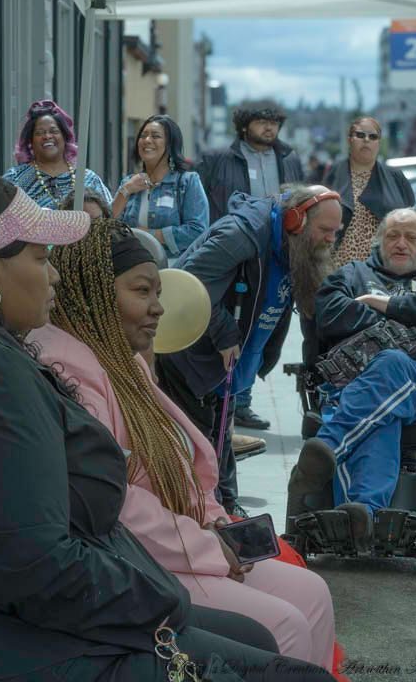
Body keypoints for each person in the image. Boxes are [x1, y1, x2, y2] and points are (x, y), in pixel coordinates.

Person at [0, 172, 337, 682]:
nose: (54, 276)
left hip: (42, 613)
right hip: (14, 638)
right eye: (40, 259)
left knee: (275, 628)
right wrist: (162, 600)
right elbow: (34, 566)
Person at [32, 219, 336, 669]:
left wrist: (217, 525)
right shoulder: (68, 368)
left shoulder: (121, 358)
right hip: (135, 561)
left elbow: (180, 466)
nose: (158, 308)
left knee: (312, 592)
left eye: (158, 292)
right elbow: (114, 500)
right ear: (95, 294)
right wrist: (210, 547)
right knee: (282, 625)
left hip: (185, 543)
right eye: (142, 292)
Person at [157, 185, 343, 518]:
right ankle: (209, 514)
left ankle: (225, 509)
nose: (332, 239)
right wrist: (225, 332)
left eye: (336, 231)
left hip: (225, 363)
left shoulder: (290, 241)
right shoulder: (241, 234)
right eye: (325, 230)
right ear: (295, 220)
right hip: (191, 355)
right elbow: (189, 283)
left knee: (219, 436)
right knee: (204, 442)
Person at [289, 208, 416, 549]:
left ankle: (330, 444)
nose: (401, 243)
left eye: (411, 237)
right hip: (354, 387)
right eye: (393, 236)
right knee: (381, 414)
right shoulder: (350, 275)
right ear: (379, 241)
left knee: (391, 363)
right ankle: (364, 514)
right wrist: (413, 310)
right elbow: (331, 316)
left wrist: (384, 304)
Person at [197, 102, 304, 431]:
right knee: (229, 321)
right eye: (262, 122)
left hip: (274, 253)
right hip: (235, 250)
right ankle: (217, 394)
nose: (269, 129)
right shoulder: (219, 160)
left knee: (263, 328)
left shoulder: (288, 159)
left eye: (274, 123)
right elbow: (203, 204)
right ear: (245, 126)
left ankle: (241, 400)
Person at [112, 115, 209, 264]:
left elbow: (197, 231)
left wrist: (146, 235)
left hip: (174, 269)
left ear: (170, 145)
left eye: (155, 136)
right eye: (143, 135)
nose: (147, 140)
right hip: (131, 268)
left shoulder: (187, 182)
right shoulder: (129, 182)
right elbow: (107, 226)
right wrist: (125, 190)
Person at [323, 116, 415, 268]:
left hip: (383, 269)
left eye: (373, 136)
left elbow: (413, 223)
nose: (366, 140)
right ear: (349, 140)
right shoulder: (334, 173)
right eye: (360, 135)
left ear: (379, 143)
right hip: (338, 269)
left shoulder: (395, 177)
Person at [3, 99, 112, 209]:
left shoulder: (87, 179)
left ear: (65, 137)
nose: (47, 136)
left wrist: (125, 191)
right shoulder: (15, 178)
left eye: (54, 131)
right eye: (39, 133)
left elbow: (109, 217)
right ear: (30, 140)